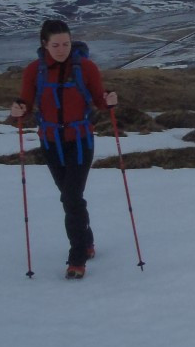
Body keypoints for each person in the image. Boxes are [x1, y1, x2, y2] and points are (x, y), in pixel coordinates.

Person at [10, 19, 118, 279]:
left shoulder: (87, 68)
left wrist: (109, 100)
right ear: (44, 44)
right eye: (56, 44)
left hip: (80, 141)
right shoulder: (34, 70)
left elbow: (99, 101)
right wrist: (18, 110)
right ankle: (87, 240)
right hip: (50, 143)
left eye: (66, 44)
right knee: (71, 198)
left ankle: (77, 257)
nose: (61, 49)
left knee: (70, 197)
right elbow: (24, 102)